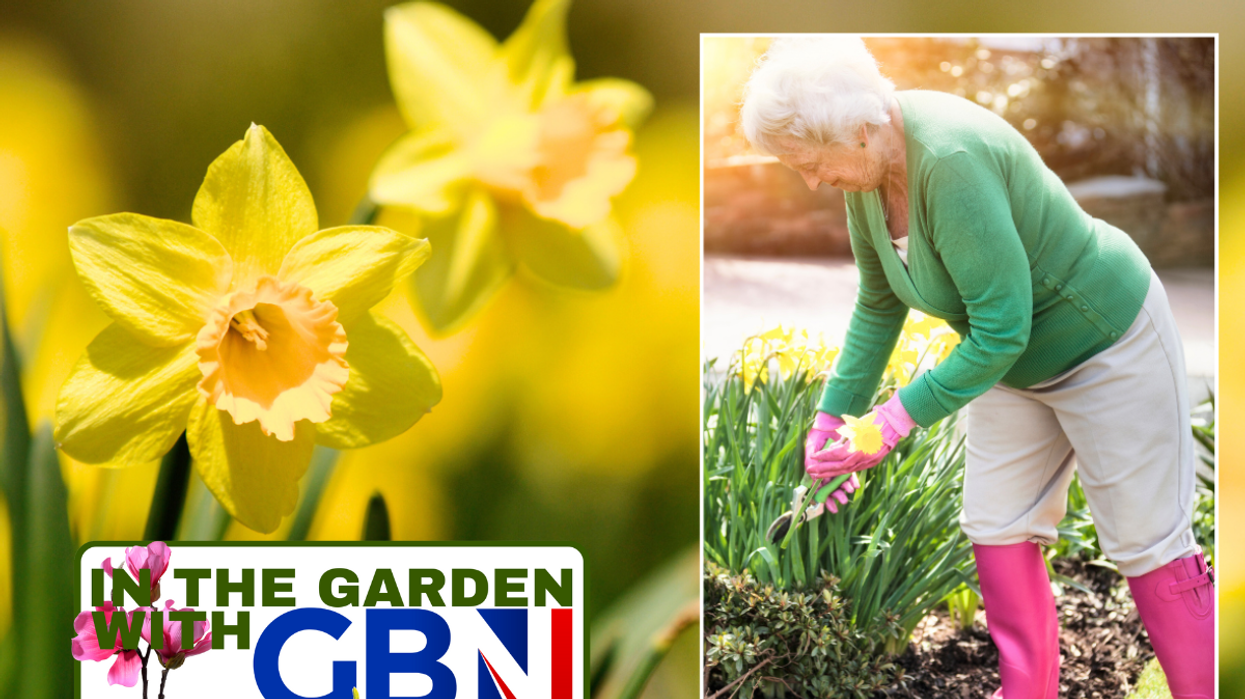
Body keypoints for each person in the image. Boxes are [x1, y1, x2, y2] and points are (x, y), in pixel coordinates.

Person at [740, 37, 1213, 699]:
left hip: (1103, 340)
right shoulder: (868, 169)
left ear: (859, 131)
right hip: (1009, 365)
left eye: (813, 164)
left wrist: (890, 421)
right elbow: (879, 302)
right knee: (996, 526)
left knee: (1146, 539)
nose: (812, 182)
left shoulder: (949, 161)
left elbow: (1000, 329)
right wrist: (832, 419)